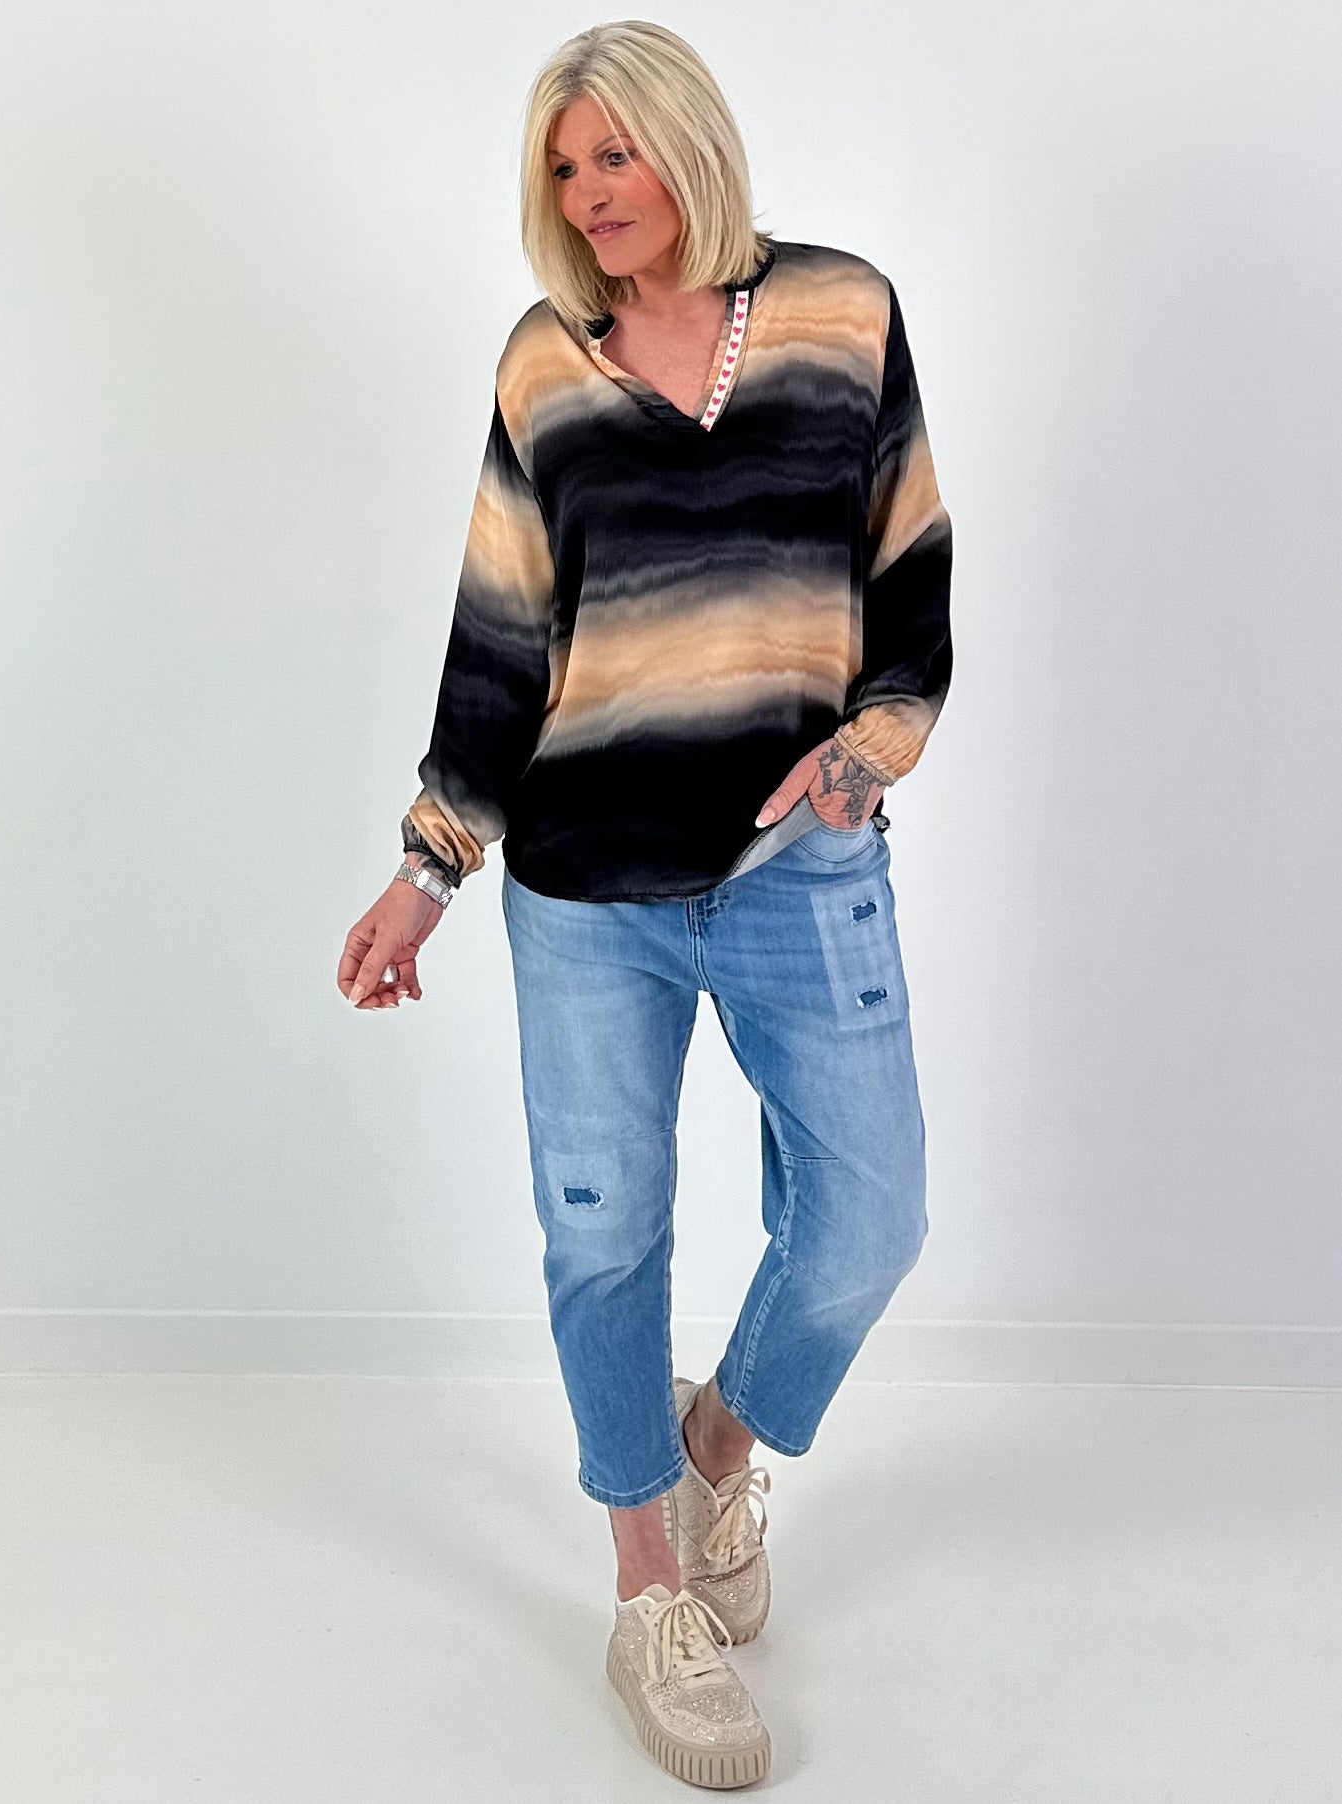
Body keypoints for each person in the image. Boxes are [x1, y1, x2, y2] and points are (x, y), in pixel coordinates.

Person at [337, 20, 953, 1790]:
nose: (590, 192)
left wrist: (870, 750)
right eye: (563, 166)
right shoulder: (547, 363)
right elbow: (498, 640)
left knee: (872, 1214)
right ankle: (645, 1594)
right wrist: (426, 869)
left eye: (613, 153)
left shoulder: (840, 313)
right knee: (601, 1235)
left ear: (687, 143)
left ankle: (714, 1449)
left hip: (798, 863)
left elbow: (908, 568)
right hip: (583, 888)